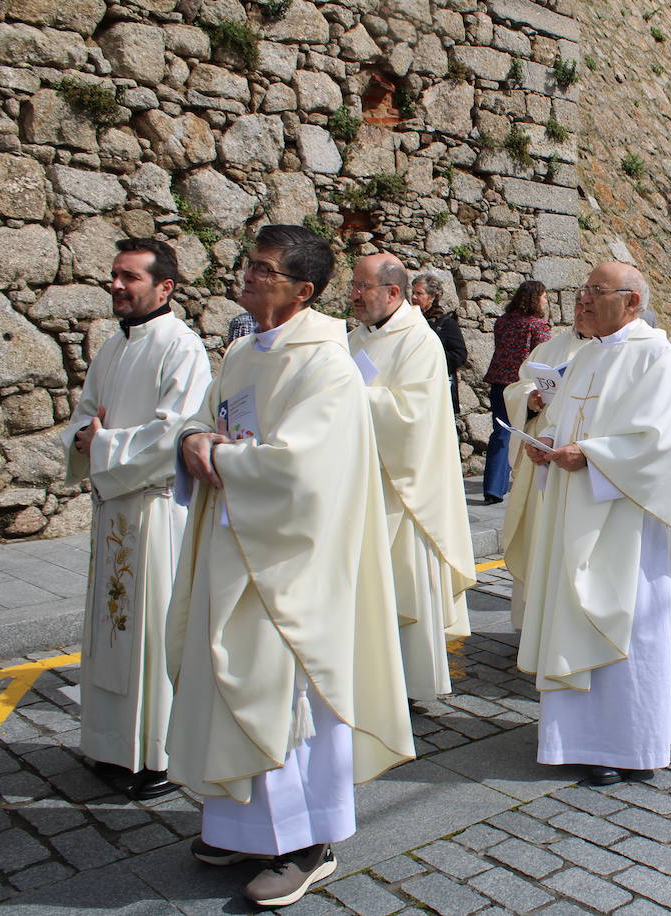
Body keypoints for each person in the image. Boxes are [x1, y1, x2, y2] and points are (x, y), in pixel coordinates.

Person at [166, 225, 413, 907]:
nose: (248, 276)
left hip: (292, 563)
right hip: (233, 541)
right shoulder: (244, 351)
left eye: (264, 269)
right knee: (230, 681)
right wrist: (192, 437)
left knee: (289, 695)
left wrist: (217, 458)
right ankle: (240, 824)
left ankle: (307, 842)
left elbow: (304, 470)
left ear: (303, 290)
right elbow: (205, 416)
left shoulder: (325, 364)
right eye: (249, 263)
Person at [517, 262, 671, 787]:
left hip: (629, 520)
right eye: (583, 290)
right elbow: (565, 421)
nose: (582, 299)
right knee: (575, 612)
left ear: (630, 302)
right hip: (576, 510)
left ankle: (629, 742)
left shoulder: (656, 357)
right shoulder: (584, 357)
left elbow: (664, 444)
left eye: (595, 292)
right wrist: (547, 447)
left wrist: (592, 455)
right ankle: (577, 737)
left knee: (632, 622)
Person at [62, 238, 211, 802]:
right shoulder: (111, 348)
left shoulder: (183, 348)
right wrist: (83, 438)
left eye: (130, 277)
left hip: (152, 512)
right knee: (110, 633)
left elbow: (175, 431)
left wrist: (101, 444)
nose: (118, 286)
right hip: (114, 509)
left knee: (148, 630)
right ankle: (107, 744)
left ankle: (156, 758)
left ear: (164, 286)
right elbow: (84, 417)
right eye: (115, 276)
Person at [348, 254, 476, 703]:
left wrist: (348, 396)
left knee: (402, 586)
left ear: (393, 293)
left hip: (404, 493)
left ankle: (407, 687)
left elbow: (413, 417)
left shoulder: (419, 341)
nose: (353, 295)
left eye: (362, 286)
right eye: (353, 285)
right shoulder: (353, 339)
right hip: (359, 486)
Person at [502, 300, 592, 628]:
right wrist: (530, 398)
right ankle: (530, 626)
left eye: (589, 305)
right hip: (538, 452)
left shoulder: (605, 353)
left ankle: (560, 627)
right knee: (536, 536)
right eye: (578, 304)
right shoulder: (549, 347)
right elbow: (518, 385)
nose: (582, 310)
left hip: (574, 460)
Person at [482, 280, 552, 504]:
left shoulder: (503, 322)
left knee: (500, 433)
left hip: (498, 381)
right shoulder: (538, 326)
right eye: (544, 297)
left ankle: (493, 486)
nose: (546, 301)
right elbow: (544, 355)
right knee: (524, 433)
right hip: (522, 387)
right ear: (535, 298)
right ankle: (519, 482)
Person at [411, 270, 467, 410]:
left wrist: (431, 360)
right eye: (413, 292)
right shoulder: (408, 322)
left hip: (437, 388)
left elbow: (459, 355)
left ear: (432, 297)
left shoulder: (446, 323)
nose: (413, 297)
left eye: (419, 293)